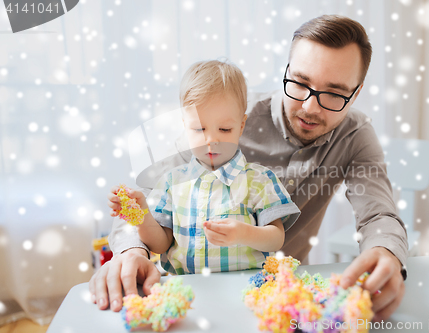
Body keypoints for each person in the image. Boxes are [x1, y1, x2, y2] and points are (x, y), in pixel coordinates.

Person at [90, 15, 408, 322]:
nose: (310, 107)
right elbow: (148, 198)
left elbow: (378, 213)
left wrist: (386, 252)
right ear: (286, 70)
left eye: (335, 93)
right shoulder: (222, 114)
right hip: (190, 292)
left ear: (356, 93)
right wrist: (132, 250)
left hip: (279, 295)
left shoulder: (355, 134)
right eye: (299, 82)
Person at [112, 60, 300, 275]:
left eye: (224, 129)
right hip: (186, 290)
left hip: (244, 287)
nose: (211, 140)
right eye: (199, 129)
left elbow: (276, 239)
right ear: (185, 125)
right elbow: (160, 245)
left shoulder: (258, 179)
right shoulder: (172, 182)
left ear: (241, 126)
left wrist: (244, 234)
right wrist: (142, 215)